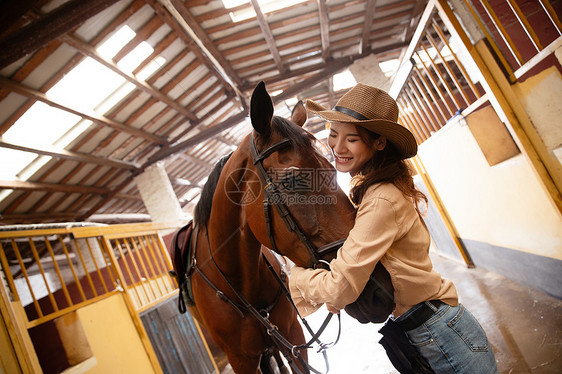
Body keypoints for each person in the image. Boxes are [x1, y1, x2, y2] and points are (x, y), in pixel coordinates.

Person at [288, 83, 498, 373]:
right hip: (431, 329)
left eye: (352, 139)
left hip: (440, 334)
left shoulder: (381, 199)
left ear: (379, 143)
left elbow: (340, 288)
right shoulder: (373, 189)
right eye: (333, 135)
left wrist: (296, 278)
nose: (338, 147)